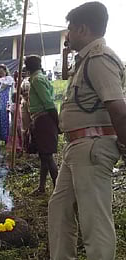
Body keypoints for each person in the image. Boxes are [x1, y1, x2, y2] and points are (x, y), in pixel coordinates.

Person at [49, 3, 126, 260]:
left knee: (94, 220)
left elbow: (119, 109)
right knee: (59, 209)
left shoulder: (99, 59)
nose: (67, 36)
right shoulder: (85, 60)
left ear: (82, 29)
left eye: (69, 30)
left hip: (92, 147)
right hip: (77, 148)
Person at [25, 55, 59, 194]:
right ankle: (42, 187)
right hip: (41, 119)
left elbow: (48, 103)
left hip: (43, 119)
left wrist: (57, 122)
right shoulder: (38, 78)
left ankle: (58, 188)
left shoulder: (37, 80)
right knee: (44, 156)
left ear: (28, 67)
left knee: (47, 156)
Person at [0, 64, 14, 153]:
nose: (0, 73)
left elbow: (3, 87)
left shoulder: (8, 79)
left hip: (5, 102)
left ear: (5, 71)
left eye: (2, 72)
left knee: (5, 122)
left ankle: (7, 141)